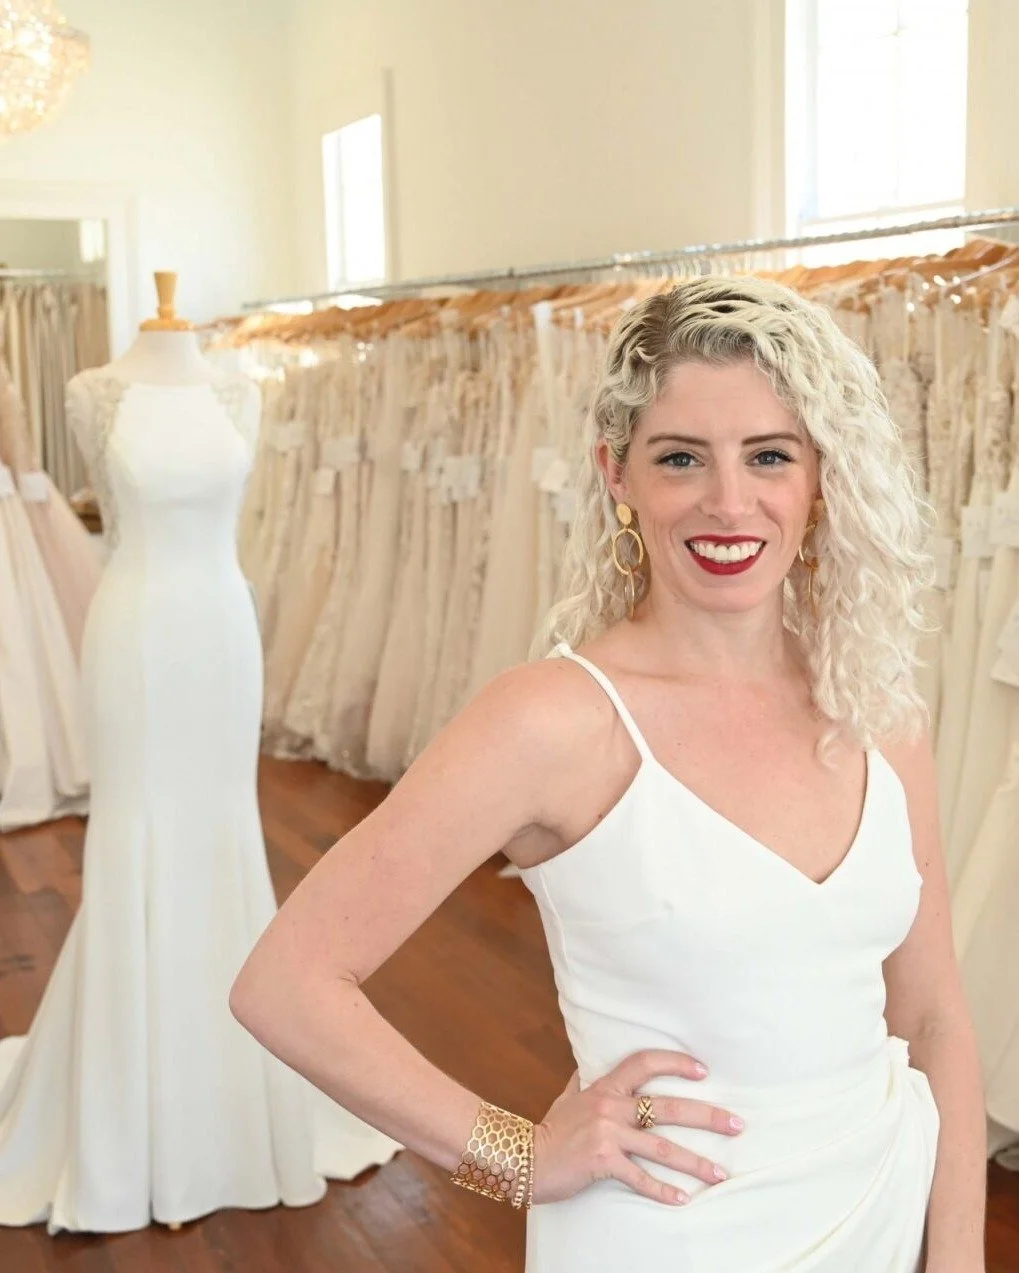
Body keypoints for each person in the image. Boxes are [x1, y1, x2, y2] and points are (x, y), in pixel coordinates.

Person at [230, 276, 987, 1272]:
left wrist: (959, 1256)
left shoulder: (880, 710)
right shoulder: (553, 720)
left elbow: (931, 1015)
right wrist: (520, 1157)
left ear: (819, 477)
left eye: (768, 455)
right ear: (616, 474)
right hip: (667, 1235)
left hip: (878, 1202)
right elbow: (285, 983)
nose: (728, 500)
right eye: (680, 458)